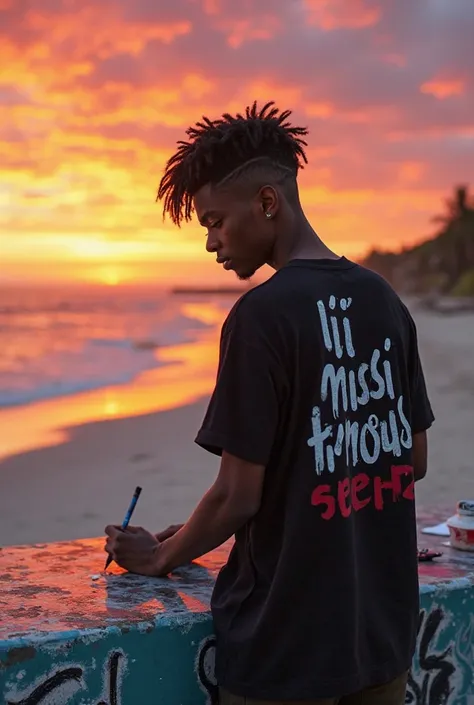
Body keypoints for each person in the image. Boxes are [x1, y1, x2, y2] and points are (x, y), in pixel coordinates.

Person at [105, 101, 435, 704]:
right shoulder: (383, 300)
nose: (211, 243)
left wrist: (160, 556)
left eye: (215, 222)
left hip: (289, 647)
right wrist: (222, 531)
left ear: (265, 203)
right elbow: (409, 460)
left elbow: (238, 494)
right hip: (383, 635)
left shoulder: (260, 317)